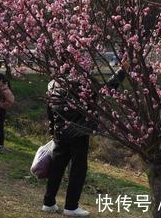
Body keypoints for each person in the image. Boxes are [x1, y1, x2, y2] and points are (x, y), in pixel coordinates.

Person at [42, 65, 127, 217]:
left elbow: (49, 109)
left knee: (57, 167)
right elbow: (105, 91)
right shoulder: (81, 83)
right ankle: (71, 206)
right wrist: (121, 72)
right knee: (78, 169)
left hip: (60, 132)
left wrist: (53, 131)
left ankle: (48, 202)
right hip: (78, 132)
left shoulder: (53, 83)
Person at [0, 73, 15, 149]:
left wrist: (1, 105)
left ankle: (0, 144)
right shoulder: (2, 88)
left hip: (1, 110)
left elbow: (10, 100)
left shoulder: (5, 90)